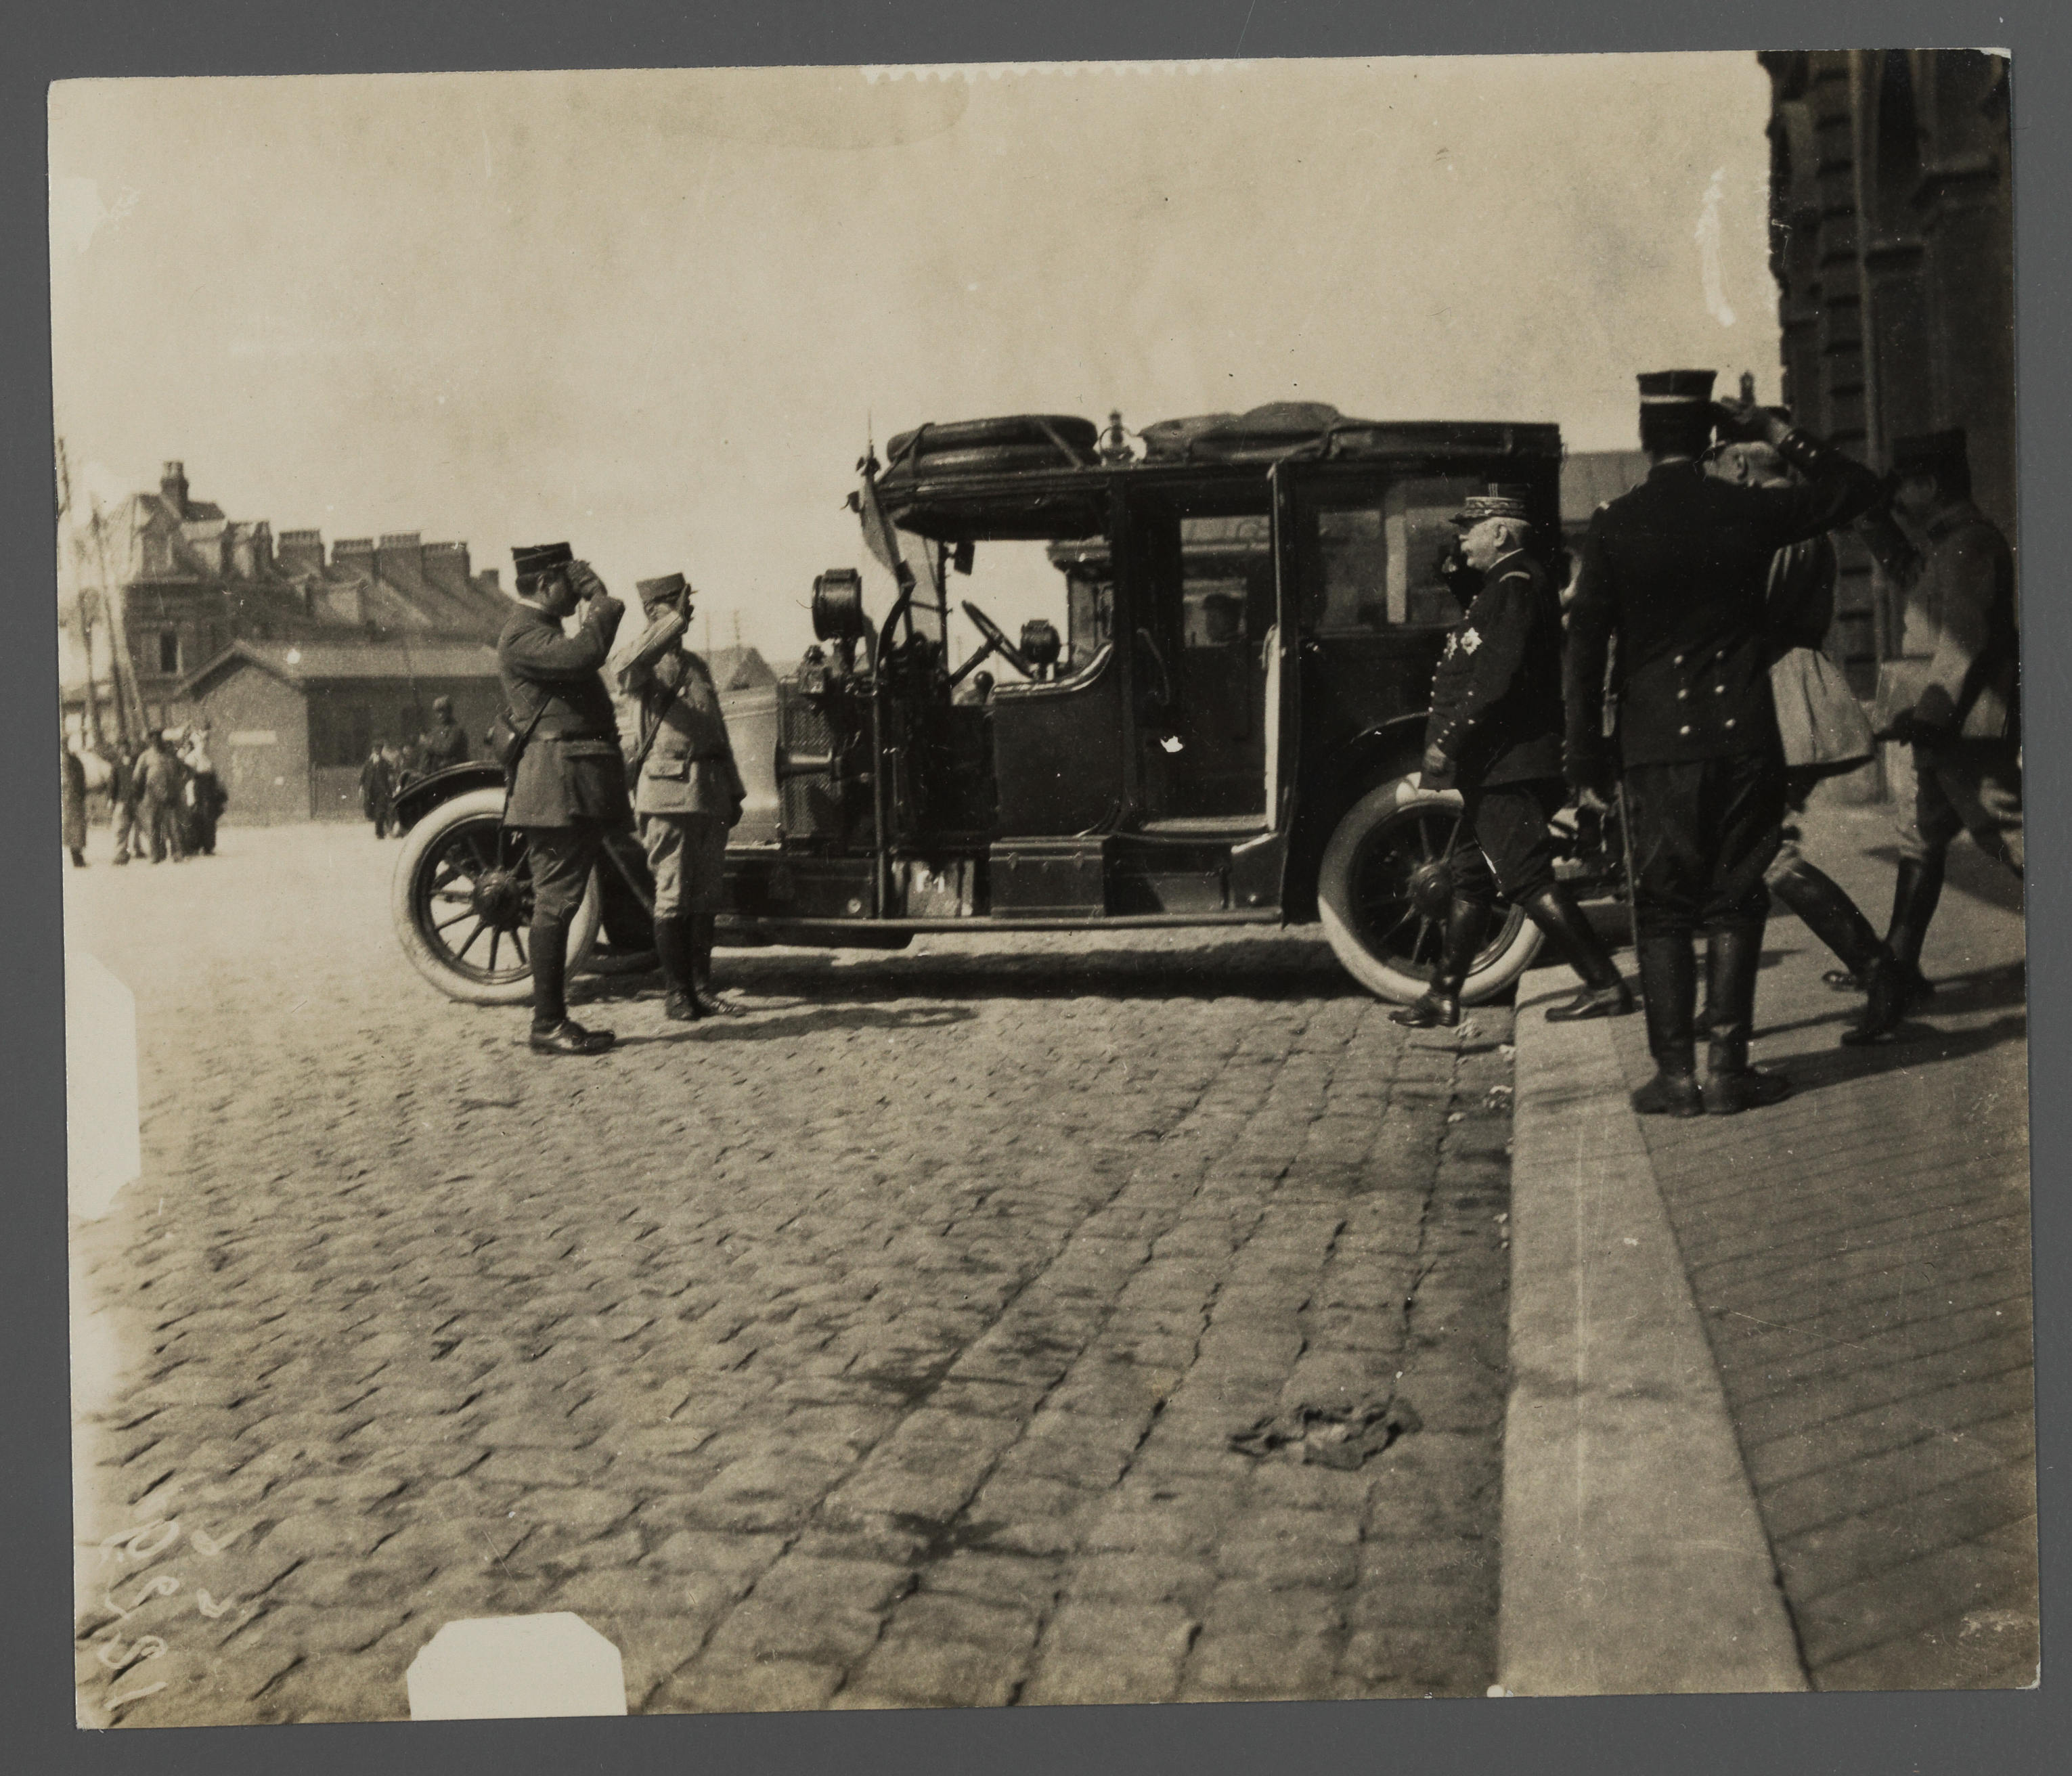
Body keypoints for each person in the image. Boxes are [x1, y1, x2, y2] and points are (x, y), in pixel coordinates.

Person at [1564, 371, 1881, 1116]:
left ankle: (1675, 1078)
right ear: (1711, 439)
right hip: (1742, 734)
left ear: (1646, 439)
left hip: (1652, 749)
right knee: (1735, 898)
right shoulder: (1746, 510)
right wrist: (1775, 430)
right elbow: (1858, 486)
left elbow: (1583, 658)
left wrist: (1583, 762)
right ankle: (1729, 1071)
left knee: (1665, 906)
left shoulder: (1612, 524)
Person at [1392, 491, 1633, 1029]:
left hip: (1508, 763)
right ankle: (1443, 995)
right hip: (1505, 762)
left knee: (1525, 880)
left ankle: (1606, 985)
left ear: (1499, 534)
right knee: (1470, 876)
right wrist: (1450, 558)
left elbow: (1495, 678)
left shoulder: (1514, 584)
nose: (1461, 538)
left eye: (1469, 529)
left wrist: (1449, 740)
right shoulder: (1504, 584)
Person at [1705, 440, 1905, 1045]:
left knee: (1764, 855)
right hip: (1780, 692)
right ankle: (1720, 1010)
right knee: (1748, 855)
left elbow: (1746, 610)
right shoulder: (1791, 521)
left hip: (1780, 698)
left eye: (1714, 471)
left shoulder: (1781, 525)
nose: (1712, 485)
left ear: (1738, 466)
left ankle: (1879, 973)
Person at [1843, 427, 2021, 1001]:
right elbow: (1911, 578)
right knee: (1919, 836)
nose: (1898, 499)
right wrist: (1873, 521)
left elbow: (1962, 637)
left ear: (1929, 483)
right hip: (1943, 724)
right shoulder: (1948, 542)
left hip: (1962, 724)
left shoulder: (1969, 543)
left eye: (1903, 488)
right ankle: (1898, 971)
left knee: (2011, 835)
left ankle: (1895, 972)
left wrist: (1932, 714)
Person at [500, 541, 629, 1057]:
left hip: (570, 785)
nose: (575, 594)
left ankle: (552, 1019)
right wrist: (600, 598)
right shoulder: (523, 635)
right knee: (554, 903)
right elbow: (585, 654)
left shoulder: (541, 631)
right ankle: (547, 1022)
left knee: (562, 900)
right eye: (569, 584)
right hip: (555, 787)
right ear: (546, 582)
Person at [619, 573, 748, 1021]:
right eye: (681, 606)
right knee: (672, 896)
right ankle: (676, 993)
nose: (689, 613)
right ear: (658, 612)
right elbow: (625, 664)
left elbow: (719, 732)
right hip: (667, 795)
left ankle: (702, 988)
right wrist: (669, 623)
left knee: (705, 898)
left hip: (709, 794)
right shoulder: (642, 665)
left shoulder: (697, 665)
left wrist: (733, 789)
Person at [135, 729, 188, 863]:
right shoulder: (145, 757)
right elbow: (137, 777)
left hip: (171, 796)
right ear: (150, 741)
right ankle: (156, 855)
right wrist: (139, 794)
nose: (157, 742)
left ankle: (178, 854)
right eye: (153, 739)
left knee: (174, 826)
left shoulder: (171, 756)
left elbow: (185, 771)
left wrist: (179, 785)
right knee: (153, 826)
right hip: (152, 796)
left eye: (159, 739)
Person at [181, 725, 225, 856]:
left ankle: (208, 846)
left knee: (209, 820)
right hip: (197, 791)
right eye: (202, 741)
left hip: (209, 793)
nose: (204, 744)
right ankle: (194, 846)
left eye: (206, 741)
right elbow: (189, 780)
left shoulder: (208, 758)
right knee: (195, 819)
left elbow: (215, 777)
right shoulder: (191, 758)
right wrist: (191, 797)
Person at [110, 740, 142, 865]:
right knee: (121, 828)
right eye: (121, 748)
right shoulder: (116, 765)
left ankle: (138, 849)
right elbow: (112, 784)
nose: (124, 750)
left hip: (135, 799)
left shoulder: (136, 763)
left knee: (138, 827)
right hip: (122, 800)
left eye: (126, 747)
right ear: (119, 750)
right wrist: (111, 799)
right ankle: (120, 854)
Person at [419, 694, 470, 771]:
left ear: (449, 711)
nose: (440, 715)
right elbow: (427, 754)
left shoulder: (456, 729)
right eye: (437, 712)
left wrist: (427, 743)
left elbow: (447, 749)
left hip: (454, 771)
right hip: (438, 772)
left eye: (442, 711)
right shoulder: (435, 731)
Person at [60, 735, 89, 868]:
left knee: (76, 829)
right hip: (68, 798)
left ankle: (77, 856)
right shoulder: (65, 760)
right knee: (72, 828)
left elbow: (81, 778)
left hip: (74, 798)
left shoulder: (73, 759)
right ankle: (76, 857)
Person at [359, 741, 397, 839]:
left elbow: (391, 776)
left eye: (379, 749)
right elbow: (363, 776)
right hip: (371, 791)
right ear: (373, 750)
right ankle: (381, 831)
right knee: (373, 812)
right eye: (376, 749)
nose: (377, 751)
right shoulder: (369, 763)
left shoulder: (385, 763)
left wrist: (392, 788)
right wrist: (361, 787)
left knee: (380, 811)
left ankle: (379, 833)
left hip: (382, 790)